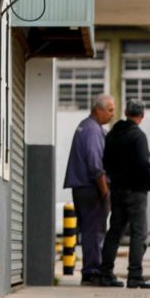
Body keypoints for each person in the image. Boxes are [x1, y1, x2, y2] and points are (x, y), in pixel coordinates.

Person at [98, 100, 150, 288]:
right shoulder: (138, 136)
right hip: (136, 191)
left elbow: (105, 162)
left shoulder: (113, 135)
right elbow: (143, 163)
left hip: (116, 189)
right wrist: (149, 182)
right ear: (142, 115)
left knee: (115, 230)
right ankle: (134, 276)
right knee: (139, 233)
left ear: (125, 112)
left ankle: (106, 273)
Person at [63, 94, 114, 285]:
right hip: (91, 188)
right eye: (109, 110)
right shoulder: (93, 130)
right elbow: (95, 164)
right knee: (95, 230)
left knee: (89, 229)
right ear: (98, 110)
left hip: (81, 187)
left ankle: (90, 268)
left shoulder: (85, 126)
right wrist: (104, 191)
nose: (112, 114)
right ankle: (92, 270)